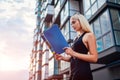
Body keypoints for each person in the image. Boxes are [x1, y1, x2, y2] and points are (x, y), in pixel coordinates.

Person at [55, 13, 98, 80]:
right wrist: (62, 58)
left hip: (83, 73)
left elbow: (94, 58)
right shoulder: (76, 38)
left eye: (74, 22)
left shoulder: (89, 35)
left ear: (81, 21)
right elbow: (73, 58)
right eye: (71, 24)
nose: (72, 25)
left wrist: (73, 53)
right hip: (73, 73)